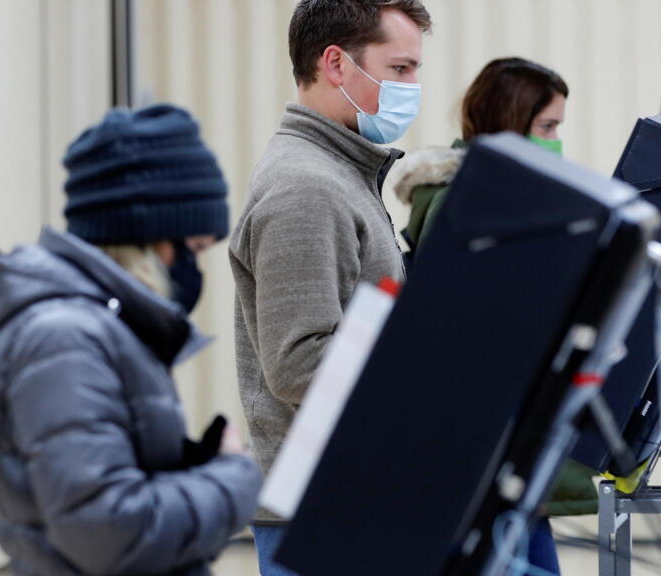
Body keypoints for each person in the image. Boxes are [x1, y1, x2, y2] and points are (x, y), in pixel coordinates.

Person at [0, 104, 262, 576]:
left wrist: (189, 464)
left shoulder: (93, 326)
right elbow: (107, 530)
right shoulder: (63, 340)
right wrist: (233, 479)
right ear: (149, 239)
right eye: (193, 249)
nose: (194, 270)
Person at [229, 1, 432, 573]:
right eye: (399, 69)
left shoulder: (341, 173)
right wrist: (429, 368)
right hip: (324, 515)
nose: (412, 88)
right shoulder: (307, 188)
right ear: (337, 64)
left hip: (349, 499)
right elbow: (299, 365)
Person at [388, 56, 593, 574]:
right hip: (487, 458)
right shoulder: (468, 204)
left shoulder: (512, 200)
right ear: (510, 121)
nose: (555, 141)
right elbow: (461, 337)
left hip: (512, 452)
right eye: (546, 127)